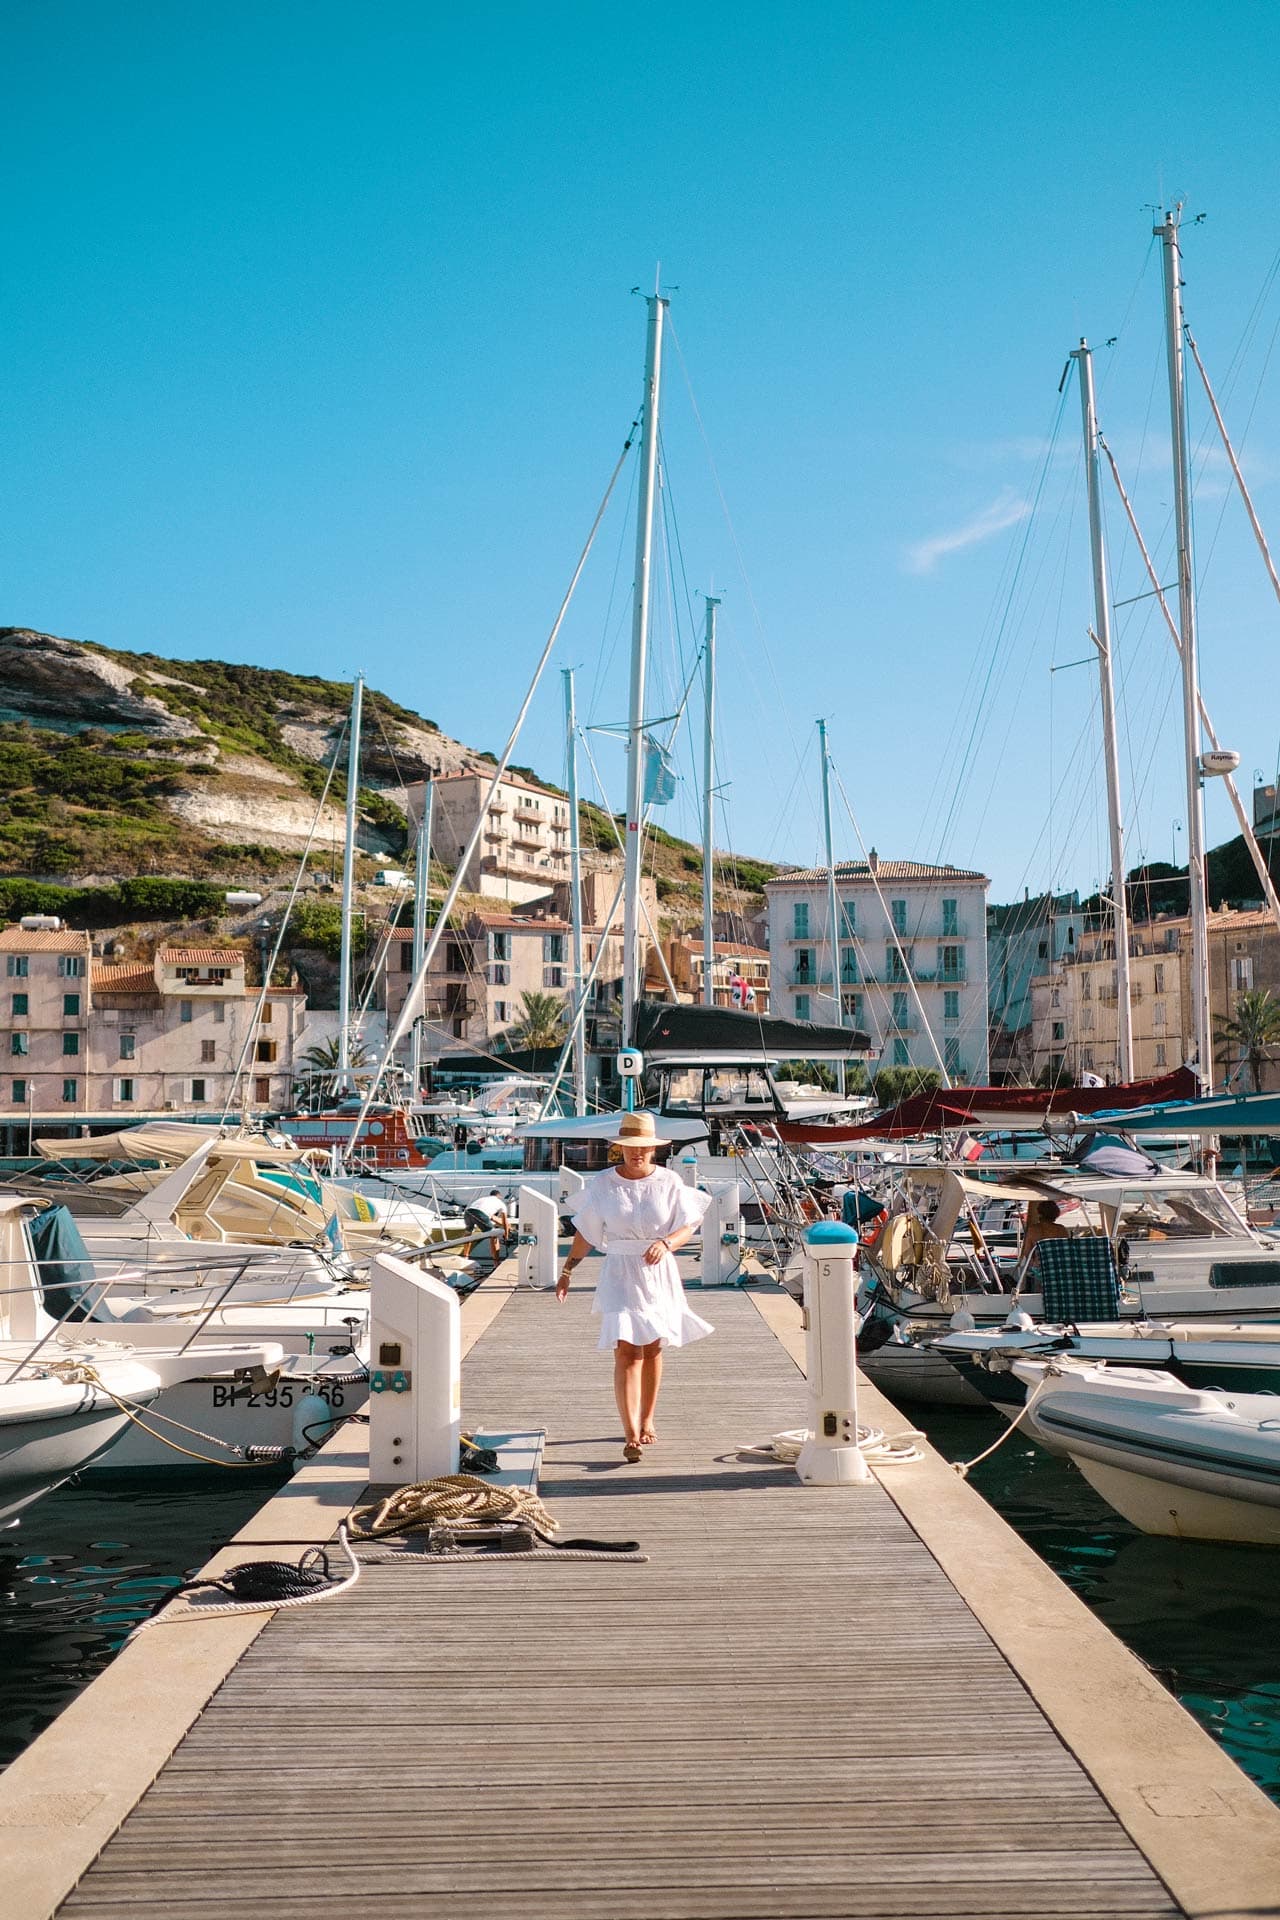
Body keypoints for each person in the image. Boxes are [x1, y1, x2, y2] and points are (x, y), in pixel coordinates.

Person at [555, 1110, 713, 1463]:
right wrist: (567, 1270)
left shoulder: (669, 1182)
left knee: (653, 1348)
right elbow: (587, 1232)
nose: (636, 1153)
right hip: (620, 1270)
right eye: (629, 1146)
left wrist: (667, 1242)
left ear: (653, 1149)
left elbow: (689, 1224)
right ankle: (630, 1435)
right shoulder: (603, 1183)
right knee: (627, 1349)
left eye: (642, 1147)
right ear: (620, 1148)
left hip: (658, 1269)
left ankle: (647, 1418)